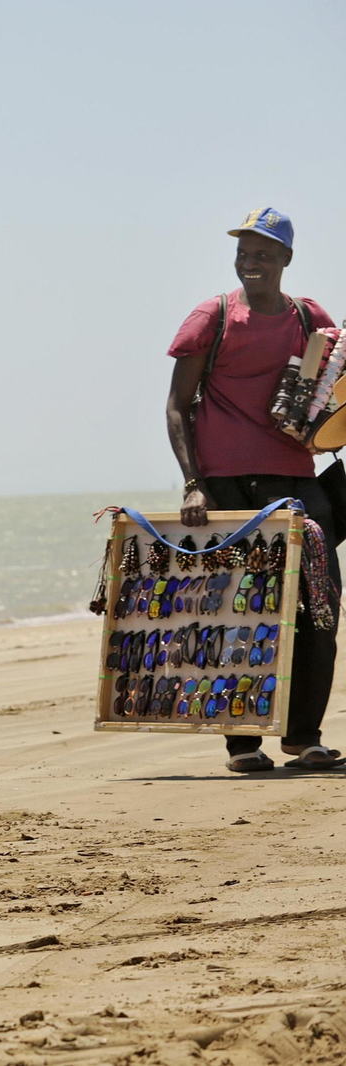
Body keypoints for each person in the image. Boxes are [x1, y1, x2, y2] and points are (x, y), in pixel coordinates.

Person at [165, 207, 341, 772]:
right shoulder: (213, 317)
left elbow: (333, 387)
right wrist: (194, 486)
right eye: (243, 253)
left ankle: (303, 739)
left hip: (298, 483)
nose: (251, 262)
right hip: (229, 487)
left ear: (286, 258)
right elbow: (177, 407)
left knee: (318, 610)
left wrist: (324, 425)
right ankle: (242, 743)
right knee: (240, 612)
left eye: (263, 253)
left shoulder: (310, 317)